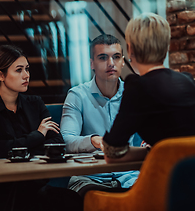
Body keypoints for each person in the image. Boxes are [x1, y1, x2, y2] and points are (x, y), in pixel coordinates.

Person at [0, 45, 82, 211]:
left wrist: (14, 147)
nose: (26, 75)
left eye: (27, 69)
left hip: (34, 188)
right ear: (0, 75)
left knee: (71, 199)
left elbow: (57, 143)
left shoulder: (35, 103)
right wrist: (38, 135)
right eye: (19, 70)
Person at [102, 13, 195, 164]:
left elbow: (112, 153)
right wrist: (158, 150)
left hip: (169, 183)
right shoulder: (187, 80)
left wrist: (153, 151)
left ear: (130, 49)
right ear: (166, 47)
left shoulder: (138, 86)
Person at [60, 34, 140, 197]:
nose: (111, 63)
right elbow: (65, 140)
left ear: (123, 61)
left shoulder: (134, 93)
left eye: (116, 57)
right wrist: (93, 141)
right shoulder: (77, 95)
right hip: (90, 178)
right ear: (92, 64)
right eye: (103, 57)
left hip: (129, 177)